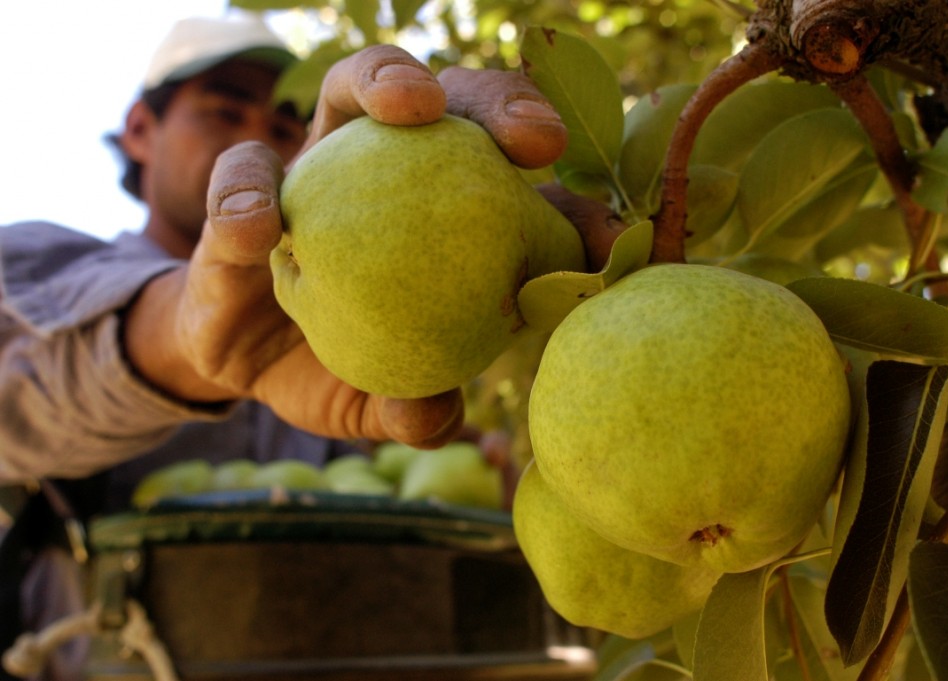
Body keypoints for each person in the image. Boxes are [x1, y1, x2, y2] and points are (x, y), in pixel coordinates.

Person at [0, 11, 623, 681]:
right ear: (141, 129)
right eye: (223, 110)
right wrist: (184, 335)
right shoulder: (36, 264)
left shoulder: (344, 347)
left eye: (281, 127)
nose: (254, 136)